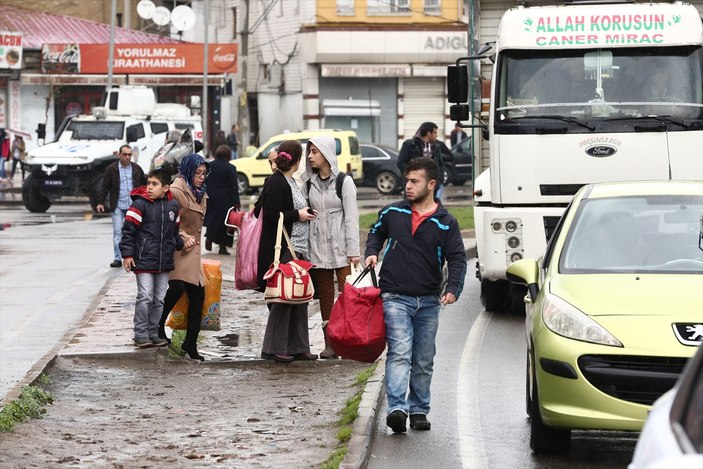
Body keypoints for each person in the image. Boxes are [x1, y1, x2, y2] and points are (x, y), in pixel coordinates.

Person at [364, 157, 467, 433]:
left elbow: (457, 258)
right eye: (406, 180)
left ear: (431, 184)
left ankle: (419, 409)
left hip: (430, 302)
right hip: (394, 296)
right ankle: (397, 408)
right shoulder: (393, 212)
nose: (407, 186)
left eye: (414, 181)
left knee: (423, 357)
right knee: (399, 352)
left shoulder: (446, 222)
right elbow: (376, 232)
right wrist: (372, 252)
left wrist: (453, 288)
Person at [254, 140, 318, 363]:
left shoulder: (290, 181)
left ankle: (298, 346)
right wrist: (298, 215)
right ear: (298, 160)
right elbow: (272, 215)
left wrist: (304, 212)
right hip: (282, 248)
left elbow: (289, 210)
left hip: (297, 247)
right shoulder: (277, 182)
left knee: (298, 297)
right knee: (283, 298)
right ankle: (273, 348)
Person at [302, 135, 360, 359]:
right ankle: (330, 344)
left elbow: (352, 218)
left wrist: (353, 252)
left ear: (326, 153)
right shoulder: (309, 183)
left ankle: (350, 341)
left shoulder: (344, 182)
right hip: (317, 249)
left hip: (342, 249)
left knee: (347, 295)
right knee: (325, 297)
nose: (310, 156)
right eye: (309, 152)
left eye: (314, 152)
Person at [119, 168, 184, 349]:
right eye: (148, 183)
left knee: (159, 299)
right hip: (143, 259)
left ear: (165, 188)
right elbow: (128, 232)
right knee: (145, 296)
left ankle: (153, 332)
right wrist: (127, 255)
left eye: (154, 184)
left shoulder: (173, 206)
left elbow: (174, 231)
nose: (149, 187)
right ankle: (140, 334)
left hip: (164, 262)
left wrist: (179, 243)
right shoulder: (139, 205)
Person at [159, 154, 210, 361]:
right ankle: (158, 324)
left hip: (193, 252)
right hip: (178, 248)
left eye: (205, 173)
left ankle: (191, 342)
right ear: (188, 171)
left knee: (199, 296)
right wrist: (183, 236)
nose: (201, 177)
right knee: (177, 287)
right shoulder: (175, 190)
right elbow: (167, 219)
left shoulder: (201, 192)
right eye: (198, 173)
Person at [96, 144, 146, 268]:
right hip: (117, 205)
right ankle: (118, 258)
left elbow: (144, 186)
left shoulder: (136, 169)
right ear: (119, 155)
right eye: (125, 154)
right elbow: (105, 186)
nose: (127, 157)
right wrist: (100, 202)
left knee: (134, 232)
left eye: (130, 155)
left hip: (133, 206)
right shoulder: (111, 169)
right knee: (118, 231)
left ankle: (134, 257)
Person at [204, 144, 240, 255]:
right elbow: (234, 186)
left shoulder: (209, 165)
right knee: (225, 222)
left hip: (210, 197)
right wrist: (236, 202)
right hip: (225, 199)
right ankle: (222, 247)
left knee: (212, 219)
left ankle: (209, 237)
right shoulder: (231, 168)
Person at [397, 122, 446, 200]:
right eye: (435, 133)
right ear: (428, 133)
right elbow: (401, 163)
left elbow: (440, 164)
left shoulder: (436, 147)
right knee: (412, 208)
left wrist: (439, 180)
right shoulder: (410, 145)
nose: (436, 135)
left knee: (430, 209)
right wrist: (411, 177)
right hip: (414, 186)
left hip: (431, 186)